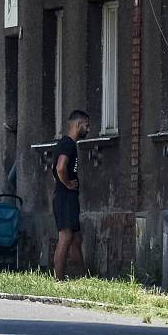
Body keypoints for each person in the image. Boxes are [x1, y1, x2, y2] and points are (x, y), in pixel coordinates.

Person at [52, 110, 90, 281]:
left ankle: (83, 278)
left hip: (66, 197)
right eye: (86, 125)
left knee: (75, 238)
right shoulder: (68, 144)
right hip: (65, 196)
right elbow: (61, 168)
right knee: (66, 237)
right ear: (77, 125)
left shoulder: (66, 144)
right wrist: (67, 183)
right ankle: (58, 280)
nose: (88, 130)